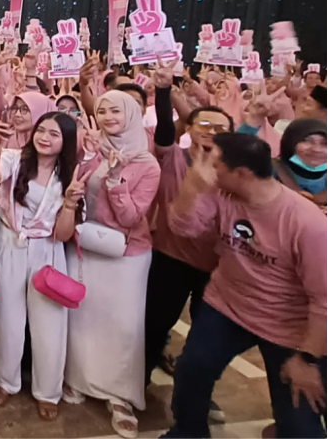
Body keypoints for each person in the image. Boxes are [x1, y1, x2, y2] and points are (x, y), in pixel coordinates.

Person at [163, 133, 326, 439]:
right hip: (227, 305)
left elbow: (324, 301)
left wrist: (307, 359)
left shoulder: (307, 223)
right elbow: (183, 227)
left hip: (289, 327)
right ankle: (188, 432)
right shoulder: (221, 193)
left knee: (299, 426)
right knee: (193, 369)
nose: (209, 170)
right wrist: (193, 185)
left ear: (241, 173)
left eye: (215, 165)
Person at [63, 90, 161, 439]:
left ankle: (120, 396)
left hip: (125, 255)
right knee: (83, 319)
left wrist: (117, 179)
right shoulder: (93, 155)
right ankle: (78, 379)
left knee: (122, 328)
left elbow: (133, 217)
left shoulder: (147, 164)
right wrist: (89, 157)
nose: (106, 117)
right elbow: (75, 193)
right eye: (101, 110)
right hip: (87, 246)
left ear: (132, 115)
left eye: (115, 111)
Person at [143, 60, 233, 423]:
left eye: (220, 127)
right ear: (190, 129)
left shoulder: (237, 171)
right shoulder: (172, 156)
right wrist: (164, 90)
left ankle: (196, 394)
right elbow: (165, 129)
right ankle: (139, 381)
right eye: (203, 125)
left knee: (207, 337)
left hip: (218, 267)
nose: (210, 131)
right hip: (169, 257)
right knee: (154, 325)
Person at [0, 112, 79, 420]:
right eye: (41, 130)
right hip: (10, 241)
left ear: (65, 142)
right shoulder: (15, 158)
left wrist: (70, 203)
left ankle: (48, 391)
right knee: (8, 317)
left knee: (49, 323)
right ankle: (5, 382)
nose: (44, 137)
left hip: (47, 250)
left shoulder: (70, 176)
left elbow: (63, 234)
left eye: (54, 134)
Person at [272, 118, 326, 206]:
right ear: (290, 143)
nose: (316, 149)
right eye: (307, 141)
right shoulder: (269, 170)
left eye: (324, 143)